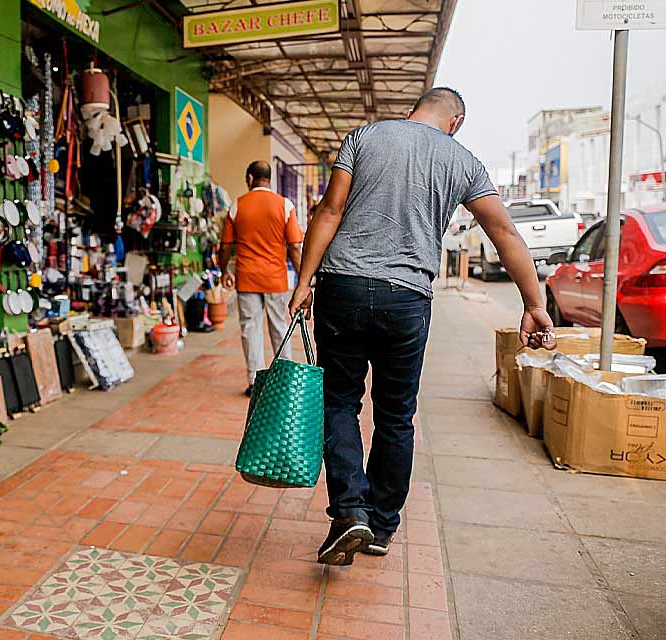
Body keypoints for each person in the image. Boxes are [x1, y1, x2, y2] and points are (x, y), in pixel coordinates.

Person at [288, 87, 557, 567]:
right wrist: (534, 303)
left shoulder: (363, 137)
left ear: (418, 108)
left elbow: (328, 211)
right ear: (455, 121)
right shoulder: (463, 161)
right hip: (408, 298)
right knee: (395, 415)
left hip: (343, 286)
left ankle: (349, 510)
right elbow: (504, 232)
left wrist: (304, 282)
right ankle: (381, 524)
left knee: (340, 402)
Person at [219, 161, 304, 395]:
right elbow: (295, 247)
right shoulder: (284, 205)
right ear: (270, 178)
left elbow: (226, 245)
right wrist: (303, 279)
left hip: (246, 278)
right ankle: (284, 381)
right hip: (275, 279)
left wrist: (223, 270)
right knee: (279, 327)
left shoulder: (237, 205)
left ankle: (255, 381)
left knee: (250, 328)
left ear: (249, 178)